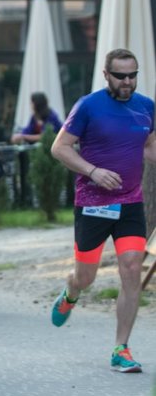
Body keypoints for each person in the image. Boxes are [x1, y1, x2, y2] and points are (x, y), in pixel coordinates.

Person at [49, 48, 156, 372]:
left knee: (131, 267)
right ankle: (71, 291)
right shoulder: (88, 106)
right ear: (106, 75)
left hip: (130, 203)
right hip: (93, 205)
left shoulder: (146, 107)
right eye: (121, 75)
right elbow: (59, 147)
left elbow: (150, 145)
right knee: (87, 276)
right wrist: (93, 171)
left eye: (132, 75)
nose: (128, 81)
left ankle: (120, 348)